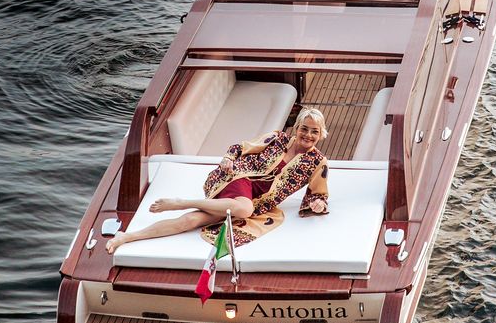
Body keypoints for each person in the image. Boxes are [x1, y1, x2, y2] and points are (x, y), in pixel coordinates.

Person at [106, 108, 330, 252]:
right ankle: (181, 202)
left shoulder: (317, 162)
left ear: (321, 134)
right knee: (244, 209)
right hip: (239, 178)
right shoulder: (278, 138)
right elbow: (240, 148)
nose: (308, 135)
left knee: (191, 222)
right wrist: (228, 158)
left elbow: (318, 194)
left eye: (314, 132)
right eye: (304, 129)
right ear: (297, 128)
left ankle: (126, 237)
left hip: (255, 201)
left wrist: (318, 204)